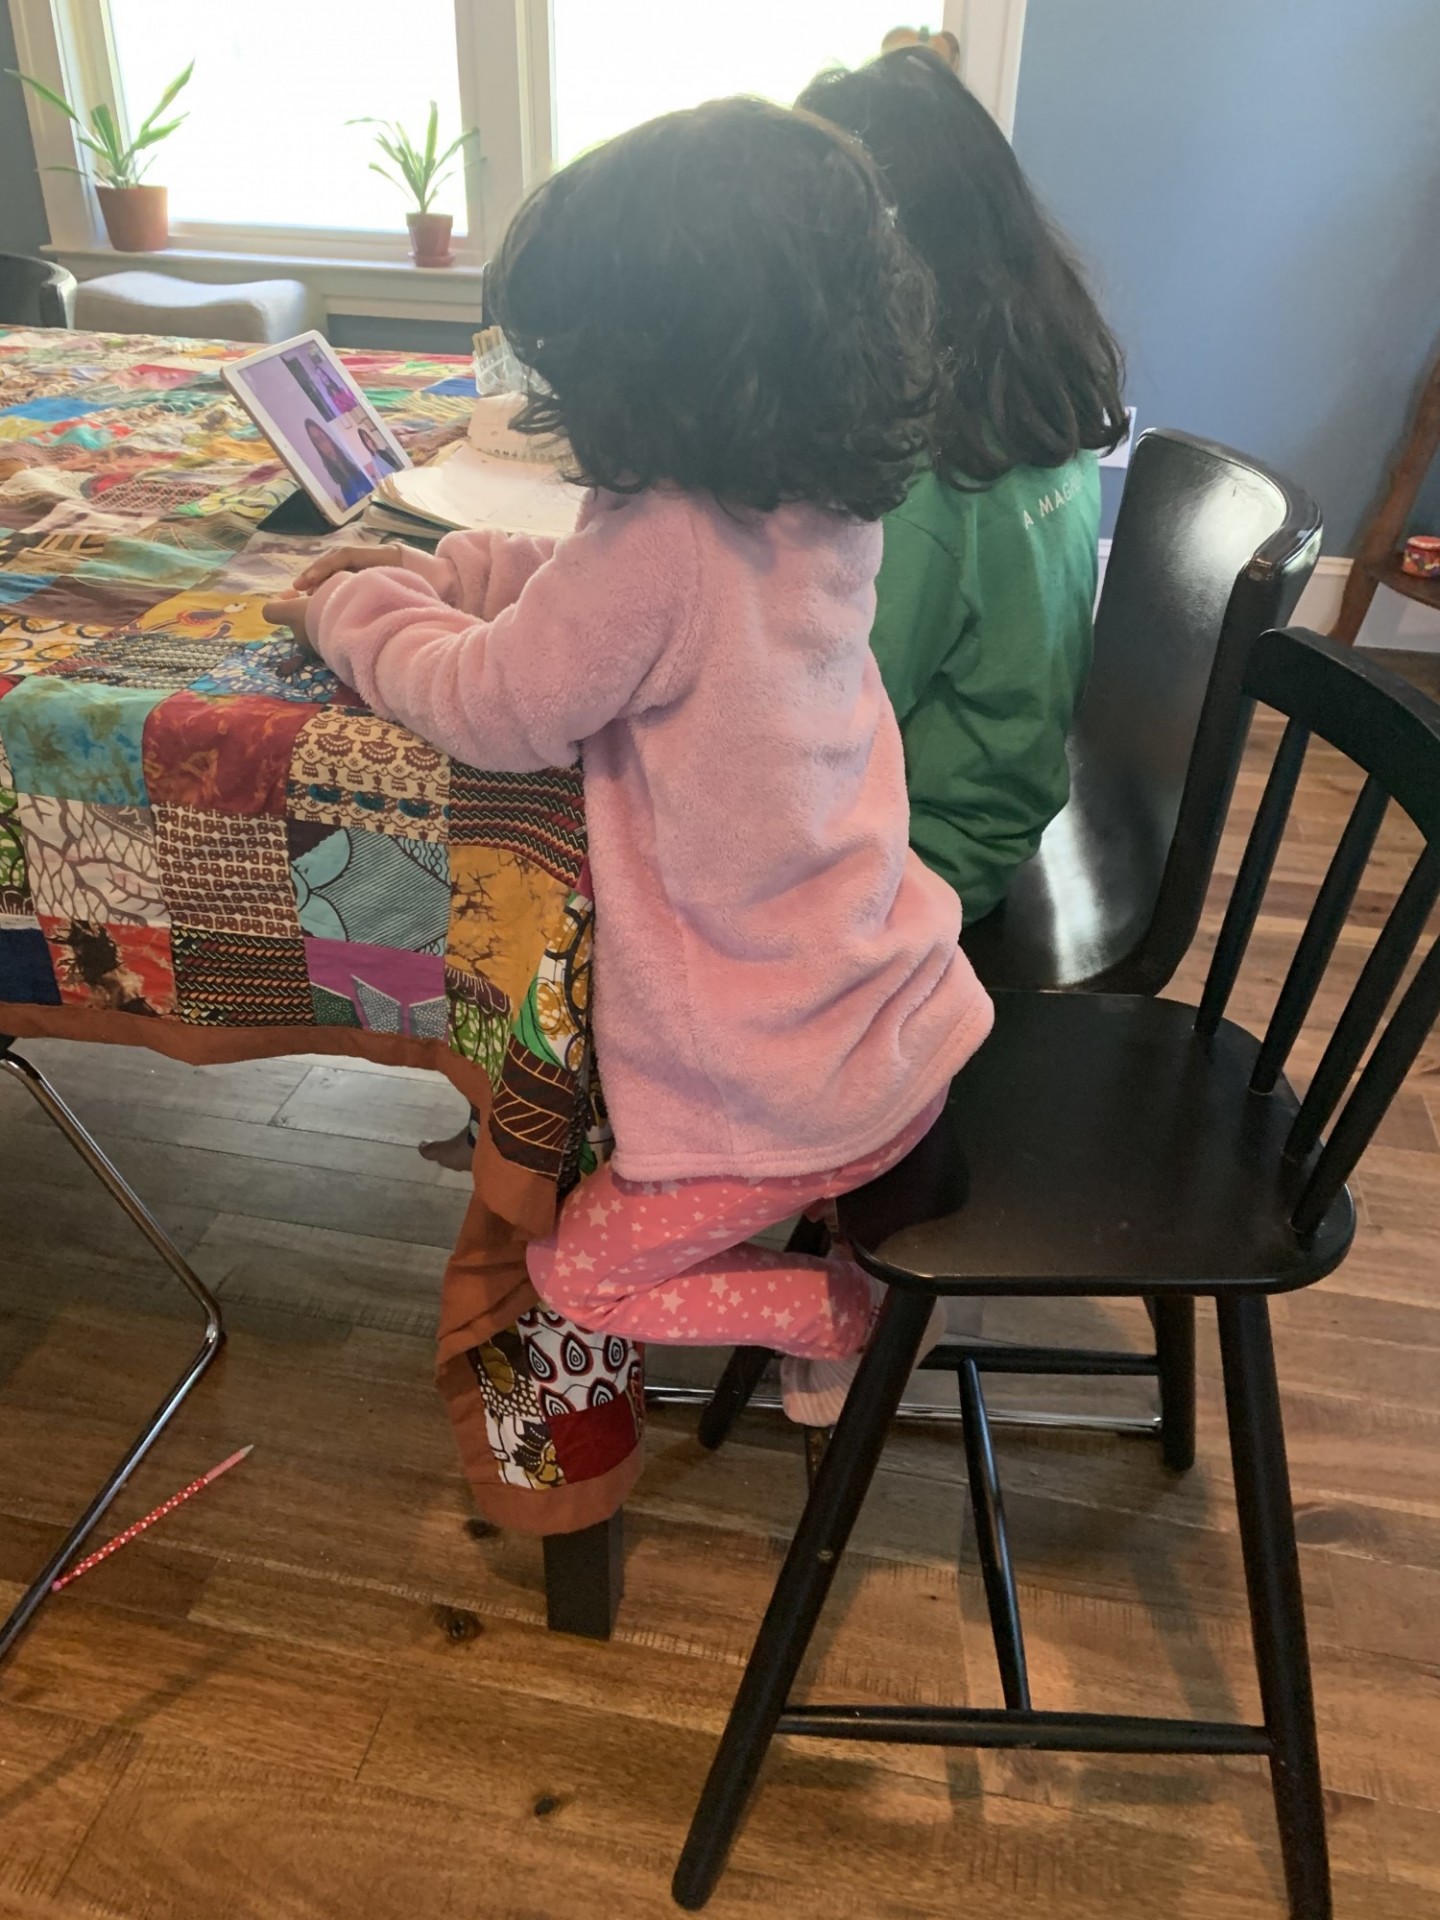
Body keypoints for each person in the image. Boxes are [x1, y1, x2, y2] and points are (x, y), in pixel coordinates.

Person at [262, 98, 993, 1425]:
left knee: (579, 1274)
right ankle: (838, 1267)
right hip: (887, 1009)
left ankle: (855, 1315)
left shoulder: (661, 540)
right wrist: (479, 570)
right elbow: (617, 614)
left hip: (774, 1079)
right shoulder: (810, 491)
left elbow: (499, 704)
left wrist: (352, 611)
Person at [798, 51, 1127, 925]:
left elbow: (822, 724)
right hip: (1005, 795)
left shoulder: (918, 486)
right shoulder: (1033, 401)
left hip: (926, 851)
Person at [303, 416, 370, 509]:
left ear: (328, 436)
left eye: (322, 437)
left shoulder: (354, 458)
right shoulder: (335, 483)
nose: (323, 444)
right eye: (317, 441)